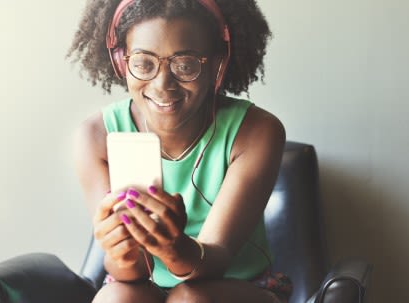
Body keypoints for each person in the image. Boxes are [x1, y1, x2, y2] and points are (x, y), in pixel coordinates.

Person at [67, 0, 291, 302]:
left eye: (185, 65)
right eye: (144, 63)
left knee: (189, 299)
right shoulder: (95, 137)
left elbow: (217, 258)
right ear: (121, 61)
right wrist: (122, 250)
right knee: (115, 298)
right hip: (146, 288)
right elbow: (126, 273)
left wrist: (174, 248)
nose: (162, 85)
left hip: (240, 286)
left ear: (217, 64)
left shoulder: (256, 132)